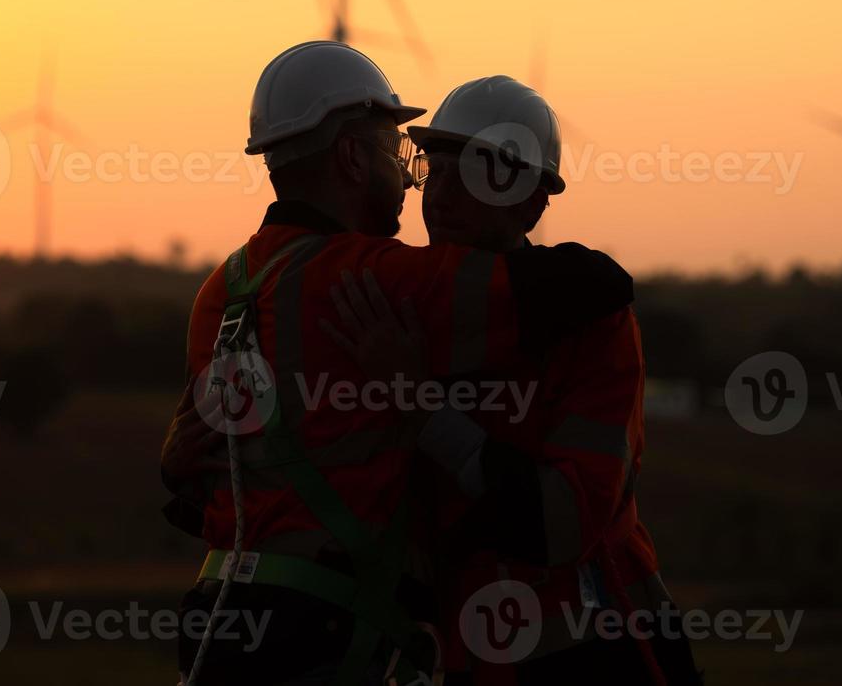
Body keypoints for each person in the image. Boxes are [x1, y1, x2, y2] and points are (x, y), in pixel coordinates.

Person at [161, 44, 636, 685]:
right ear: (353, 157)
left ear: (531, 201)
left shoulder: (220, 291)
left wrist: (176, 471)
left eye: (466, 175)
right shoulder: (382, 284)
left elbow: (224, 488)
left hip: (226, 618)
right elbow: (593, 280)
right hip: (323, 633)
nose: (426, 192)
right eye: (412, 160)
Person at [326, 76, 703, 685]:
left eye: (473, 173)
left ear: (531, 203)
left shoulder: (595, 328)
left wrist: (421, 409)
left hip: (593, 650)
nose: (439, 196)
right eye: (434, 167)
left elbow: (562, 524)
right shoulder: (397, 313)